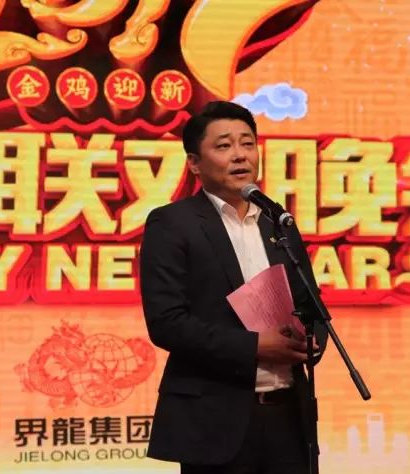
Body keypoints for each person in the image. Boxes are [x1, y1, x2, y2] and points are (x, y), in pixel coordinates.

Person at [139, 101, 328, 474]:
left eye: (248, 143)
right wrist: (255, 346)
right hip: (214, 420)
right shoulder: (173, 223)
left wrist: (311, 339)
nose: (240, 155)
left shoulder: (278, 222)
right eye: (224, 146)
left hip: (289, 418)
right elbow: (167, 323)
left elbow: (311, 303)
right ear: (194, 163)